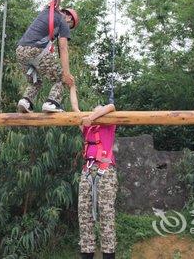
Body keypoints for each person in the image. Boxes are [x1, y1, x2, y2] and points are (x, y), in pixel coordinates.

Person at [71, 88, 118, 259]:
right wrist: (72, 87)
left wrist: (91, 117)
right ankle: (87, 253)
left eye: (98, 109)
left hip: (105, 172)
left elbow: (111, 106)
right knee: (84, 215)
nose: (96, 110)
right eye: (94, 109)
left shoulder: (109, 124)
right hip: (87, 172)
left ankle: (108, 255)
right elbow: (75, 109)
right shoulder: (87, 129)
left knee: (106, 215)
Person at [16, 3, 79, 113]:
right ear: (69, 17)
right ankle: (52, 103)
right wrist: (67, 74)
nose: (69, 28)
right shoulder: (63, 22)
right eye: (71, 25)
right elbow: (63, 49)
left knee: (35, 81)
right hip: (35, 50)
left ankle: (25, 101)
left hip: (20, 51)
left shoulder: (47, 11)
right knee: (61, 78)